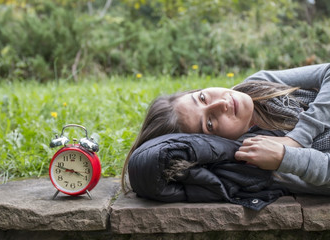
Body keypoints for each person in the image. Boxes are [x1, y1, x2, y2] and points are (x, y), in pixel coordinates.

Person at [121, 63, 330, 196]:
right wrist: (288, 157)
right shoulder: (256, 158)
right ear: (214, 143)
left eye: (202, 97)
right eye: (209, 123)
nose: (221, 104)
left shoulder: (257, 84)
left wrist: (299, 138)